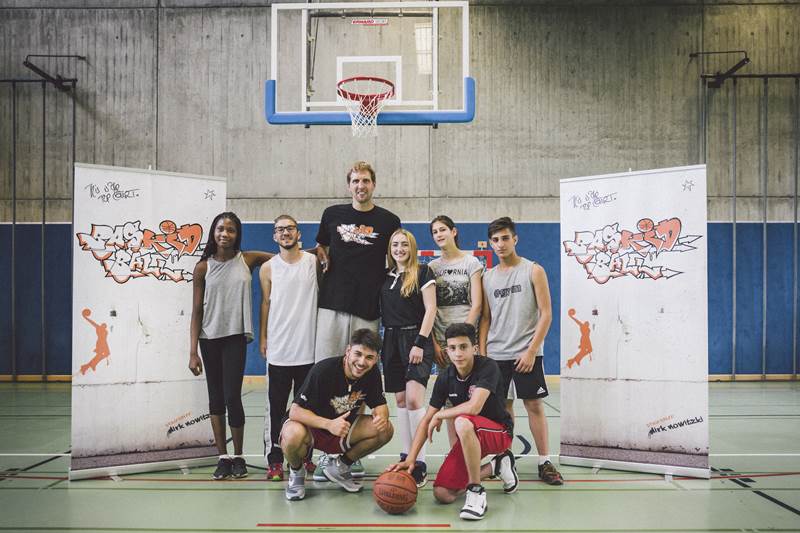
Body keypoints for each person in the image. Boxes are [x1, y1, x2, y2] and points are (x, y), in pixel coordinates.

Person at [312, 160, 400, 479]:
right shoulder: (332, 214)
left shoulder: (389, 221)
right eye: (355, 181)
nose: (360, 186)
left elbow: (395, 259)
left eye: (365, 180)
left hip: (367, 309)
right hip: (332, 305)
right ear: (348, 185)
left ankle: (348, 448)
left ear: (373, 184)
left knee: (360, 376)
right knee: (327, 373)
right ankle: (324, 450)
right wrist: (321, 255)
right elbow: (320, 247)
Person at [388, 323, 518, 521]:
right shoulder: (445, 377)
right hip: (470, 438)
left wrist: (441, 415)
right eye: (453, 348)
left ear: (474, 348)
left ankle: (476, 491)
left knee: (462, 421)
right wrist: (411, 459)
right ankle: (497, 467)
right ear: (447, 350)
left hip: (499, 433)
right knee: (443, 493)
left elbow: (474, 407)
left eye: (463, 347)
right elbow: (426, 420)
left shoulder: (488, 367)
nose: (458, 353)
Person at [479, 216, 564, 486]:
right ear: (490, 244)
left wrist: (531, 350)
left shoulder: (533, 270)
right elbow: (486, 319)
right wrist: (483, 354)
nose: (501, 244)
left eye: (505, 238)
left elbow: (546, 314)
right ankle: (505, 459)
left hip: (526, 353)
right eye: (495, 240)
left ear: (515, 239)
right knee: (503, 408)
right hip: (497, 354)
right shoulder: (487, 277)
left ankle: (544, 461)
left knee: (534, 405)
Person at [188, 211, 272, 480]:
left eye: (231, 230)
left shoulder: (247, 259)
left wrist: (316, 251)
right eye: (220, 229)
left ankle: (239, 456)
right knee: (215, 398)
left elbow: (286, 257)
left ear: (237, 234)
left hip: (235, 336)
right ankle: (222, 457)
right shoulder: (203, 267)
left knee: (233, 397)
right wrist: (192, 351)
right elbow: (196, 311)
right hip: (208, 338)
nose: (225, 234)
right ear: (213, 232)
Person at [280, 329, 393, 501]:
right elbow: (295, 411)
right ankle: (296, 472)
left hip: (343, 429)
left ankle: (340, 466)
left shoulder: (372, 374)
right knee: (292, 434)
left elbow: (380, 405)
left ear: (376, 358)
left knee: (386, 430)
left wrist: (381, 417)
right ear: (348, 351)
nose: (362, 362)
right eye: (358, 354)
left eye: (369, 357)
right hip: (311, 428)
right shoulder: (324, 370)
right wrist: (328, 424)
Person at [259, 215, 320, 481]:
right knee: (275, 409)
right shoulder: (268, 268)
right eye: (280, 230)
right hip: (279, 351)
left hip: (307, 349)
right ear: (274, 236)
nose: (285, 233)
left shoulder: (313, 262)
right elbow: (265, 303)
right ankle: (274, 459)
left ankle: (305, 455)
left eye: (290, 228)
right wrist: (263, 337)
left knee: (307, 410)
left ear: (298, 233)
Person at [380, 229, 437, 487]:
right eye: (395, 244)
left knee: (414, 401)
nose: (399, 249)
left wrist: (420, 343)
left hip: (415, 338)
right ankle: (406, 456)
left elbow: (431, 309)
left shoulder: (423, 272)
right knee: (401, 401)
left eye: (404, 244)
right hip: (390, 340)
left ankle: (419, 462)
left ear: (412, 248)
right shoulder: (386, 276)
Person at [428, 215, 484, 445]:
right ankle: (455, 452)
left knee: (472, 397)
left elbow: (477, 304)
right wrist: (435, 344)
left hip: (465, 341)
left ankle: (475, 449)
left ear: (454, 231)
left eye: (442, 229)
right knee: (451, 401)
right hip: (443, 344)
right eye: (434, 232)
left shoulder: (471, 263)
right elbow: (429, 309)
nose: (439, 234)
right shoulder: (432, 267)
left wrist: (463, 338)